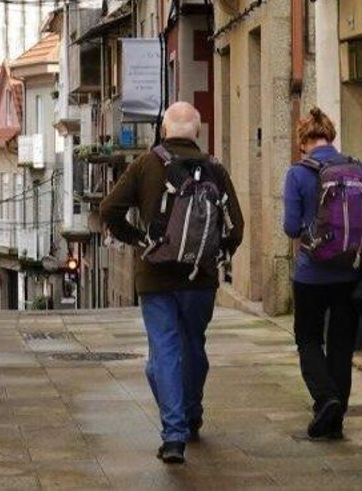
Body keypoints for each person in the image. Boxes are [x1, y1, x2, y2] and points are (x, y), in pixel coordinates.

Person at [102, 101, 244, 465]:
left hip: (155, 278)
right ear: (196, 131)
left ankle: (174, 436)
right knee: (194, 347)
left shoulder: (146, 164)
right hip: (201, 280)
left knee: (163, 354)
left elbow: (109, 209)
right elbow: (236, 226)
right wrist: (216, 255)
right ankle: (191, 413)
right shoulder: (215, 168)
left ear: (165, 130)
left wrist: (138, 240)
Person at [282, 107, 362, 441]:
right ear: (330, 135)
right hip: (350, 272)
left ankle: (325, 398)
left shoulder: (298, 174)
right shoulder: (356, 168)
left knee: (308, 339)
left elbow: (291, 227)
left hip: (311, 273)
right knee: (342, 344)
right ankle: (337, 418)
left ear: (303, 140)